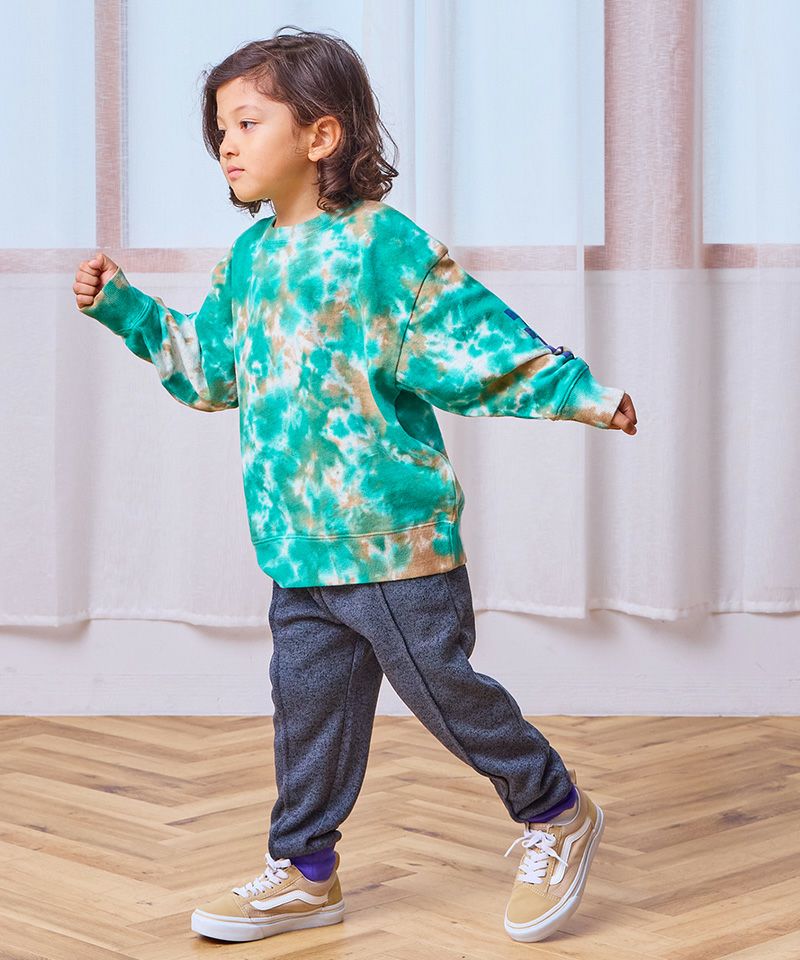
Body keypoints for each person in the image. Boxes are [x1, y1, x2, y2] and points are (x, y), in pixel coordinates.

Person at [73, 26, 638, 946]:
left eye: (247, 123)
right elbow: (212, 373)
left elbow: (477, 343)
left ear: (321, 135)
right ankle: (305, 872)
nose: (225, 144)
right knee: (309, 716)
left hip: (392, 540)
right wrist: (127, 309)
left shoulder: (385, 247)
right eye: (219, 128)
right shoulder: (249, 261)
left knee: (447, 694)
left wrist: (583, 393)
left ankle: (557, 812)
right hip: (296, 547)